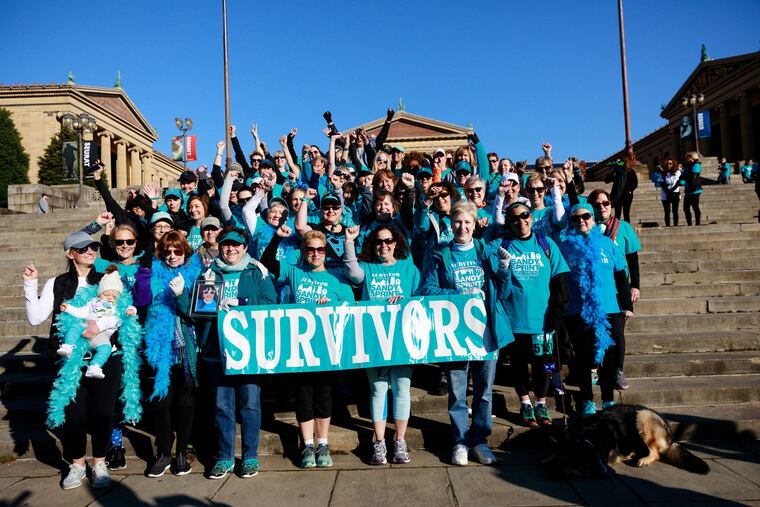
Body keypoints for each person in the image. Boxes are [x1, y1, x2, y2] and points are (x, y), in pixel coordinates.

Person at [23, 231, 140, 490]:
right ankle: (76, 463)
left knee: (102, 413)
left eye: (93, 246)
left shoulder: (108, 279)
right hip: (70, 357)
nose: (90, 251)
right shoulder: (57, 283)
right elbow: (34, 318)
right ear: (70, 253)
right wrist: (30, 284)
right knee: (74, 415)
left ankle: (99, 462)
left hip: (106, 354)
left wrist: (102, 325)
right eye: (83, 247)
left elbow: (125, 312)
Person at [178, 227, 276, 479]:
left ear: (244, 247)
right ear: (219, 247)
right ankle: (224, 457)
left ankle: (251, 456)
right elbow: (195, 311)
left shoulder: (258, 271)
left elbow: (270, 305)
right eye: (225, 245)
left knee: (251, 404)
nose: (230, 249)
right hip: (216, 349)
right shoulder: (208, 273)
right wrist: (181, 296)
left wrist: (241, 304)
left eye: (235, 245)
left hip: (249, 351)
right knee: (222, 406)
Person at [423, 201, 513, 466]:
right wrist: (458, 295)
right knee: (457, 391)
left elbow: (503, 294)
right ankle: (460, 441)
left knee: (484, 392)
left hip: (487, 333)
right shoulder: (442, 254)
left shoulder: (485, 251)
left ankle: (480, 440)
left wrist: (505, 271)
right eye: (458, 222)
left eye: (467, 223)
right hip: (455, 335)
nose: (462, 227)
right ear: (451, 224)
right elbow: (428, 290)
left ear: (475, 225)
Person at [261, 228, 354, 469]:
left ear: (325, 252)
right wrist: (278, 237)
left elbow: (351, 310)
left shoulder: (337, 278)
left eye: (320, 249)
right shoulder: (295, 272)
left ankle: (323, 443)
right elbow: (267, 262)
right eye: (310, 249)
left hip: (326, 349)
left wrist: (333, 303)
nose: (315, 253)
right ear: (304, 252)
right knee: (303, 396)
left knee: (323, 396)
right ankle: (307, 445)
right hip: (300, 348)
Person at [343, 224, 421, 465]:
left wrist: (406, 300)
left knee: (401, 389)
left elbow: (420, 299)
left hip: (402, 339)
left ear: (396, 243)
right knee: (377, 390)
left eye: (388, 241)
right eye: (378, 241)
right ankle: (379, 442)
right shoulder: (368, 267)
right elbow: (353, 273)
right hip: (374, 340)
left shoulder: (409, 268)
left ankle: (399, 440)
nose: (383, 245)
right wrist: (349, 242)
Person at [135, 231, 203, 478]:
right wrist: (144, 272)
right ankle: (164, 451)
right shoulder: (153, 273)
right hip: (159, 348)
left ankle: (182, 452)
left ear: (185, 252)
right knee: (160, 402)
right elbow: (141, 299)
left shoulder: (196, 275)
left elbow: (197, 315)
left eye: (177, 251)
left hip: (187, 350)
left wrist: (181, 294)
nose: (172, 256)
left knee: (186, 403)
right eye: (167, 252)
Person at [497, 202, 569, 427]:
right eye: (515, 218)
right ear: (509, 223)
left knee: (544, 365)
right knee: (518, 365)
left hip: (543, 321)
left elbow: (561, 279)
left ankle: (541, 402)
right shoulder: (503, 245)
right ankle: (525, 403)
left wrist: (557, 311)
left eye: (525, 215)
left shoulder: (546, 244)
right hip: (515, 320)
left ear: (531, 217)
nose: (521, 221)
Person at [559, 204, 633, 416]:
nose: (581, 220)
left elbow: (621, 276)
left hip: (609, 309)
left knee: (608, 357)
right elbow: (559, 279)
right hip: (578, 310)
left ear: (593, 219)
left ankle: (608, 399)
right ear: (571, 222)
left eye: (586, 216)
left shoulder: (608, 245)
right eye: (576, 218)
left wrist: (627, 305)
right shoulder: (564, 247)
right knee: (583, 357)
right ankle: (588, 400)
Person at [588, 189, 641, 391]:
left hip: (619, 288)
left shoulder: (624, 228)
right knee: (594, 331)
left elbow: (633, 260)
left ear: (611, 205)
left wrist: (635, 286)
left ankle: (617, 370)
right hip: (596, 289)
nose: (601, 208)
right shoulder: (588, 228)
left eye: (605, 203)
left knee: (617, 334)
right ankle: (596, 367)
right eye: (596, 205)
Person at [57, 266, 137, 379]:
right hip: (86, 325)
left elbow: (130, 309)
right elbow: (82, 312)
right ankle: (67, 346)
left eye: (114, 296)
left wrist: (131, 311)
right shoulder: (93, 302)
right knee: (75, 327)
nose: (110, 298)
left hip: (102, 335)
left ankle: (95, 366)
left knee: (106, 348)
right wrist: (68, 308)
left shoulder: (117, 307)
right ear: (99, 293)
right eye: (106, 294)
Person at [680, 151, 703, 226]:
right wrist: (682, 179)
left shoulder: (696, 165)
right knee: (686, 208)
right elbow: (682, 176)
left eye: (688, 157)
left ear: (693, 157)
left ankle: (697, 224)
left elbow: (693, 176)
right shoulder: (687, 166)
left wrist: (684, 178)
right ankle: (689, 224)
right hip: (688, 190)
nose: (686, 158)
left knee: (695, 207)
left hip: (695, 189)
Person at [661, 159, 681, 227]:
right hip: (665, 195)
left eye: (670, 163)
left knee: (675, 211)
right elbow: (662, 184)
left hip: (675, 193)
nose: (668, 165)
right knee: (667, 212)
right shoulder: (663, 173)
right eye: (667, 164)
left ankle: (676, 226)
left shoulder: (677, 172)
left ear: (673, 164)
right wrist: (668, 191)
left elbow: (678, 183)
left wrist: (672, 190)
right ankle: (668, 226)